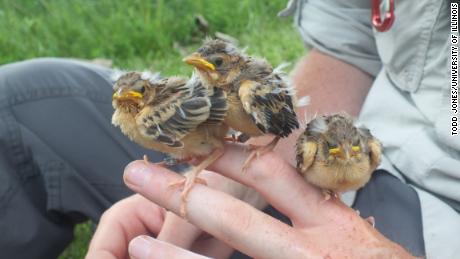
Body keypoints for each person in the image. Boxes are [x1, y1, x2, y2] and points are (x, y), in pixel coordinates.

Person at [0, 1, 457, 259]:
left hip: (436, 226)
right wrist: (243, 175)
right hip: (332, 147)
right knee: (18, 106)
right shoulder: (222, 97)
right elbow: (350, 45)